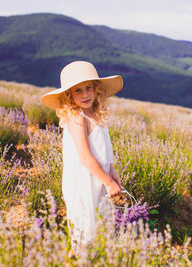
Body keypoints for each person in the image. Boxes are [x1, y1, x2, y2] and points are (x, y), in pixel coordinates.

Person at [40, 61, 123, 259]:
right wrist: (108, 182)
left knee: (97, 231)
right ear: (69, 95)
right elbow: (85, 157)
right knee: (85, 233)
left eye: (89, 88)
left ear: (96, 89)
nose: (85, 94)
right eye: (78, 90)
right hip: (82, 183)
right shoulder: (77, 118)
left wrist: (111, 171)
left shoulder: (94, 115)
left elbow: (102, 149)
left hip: (98, 179)